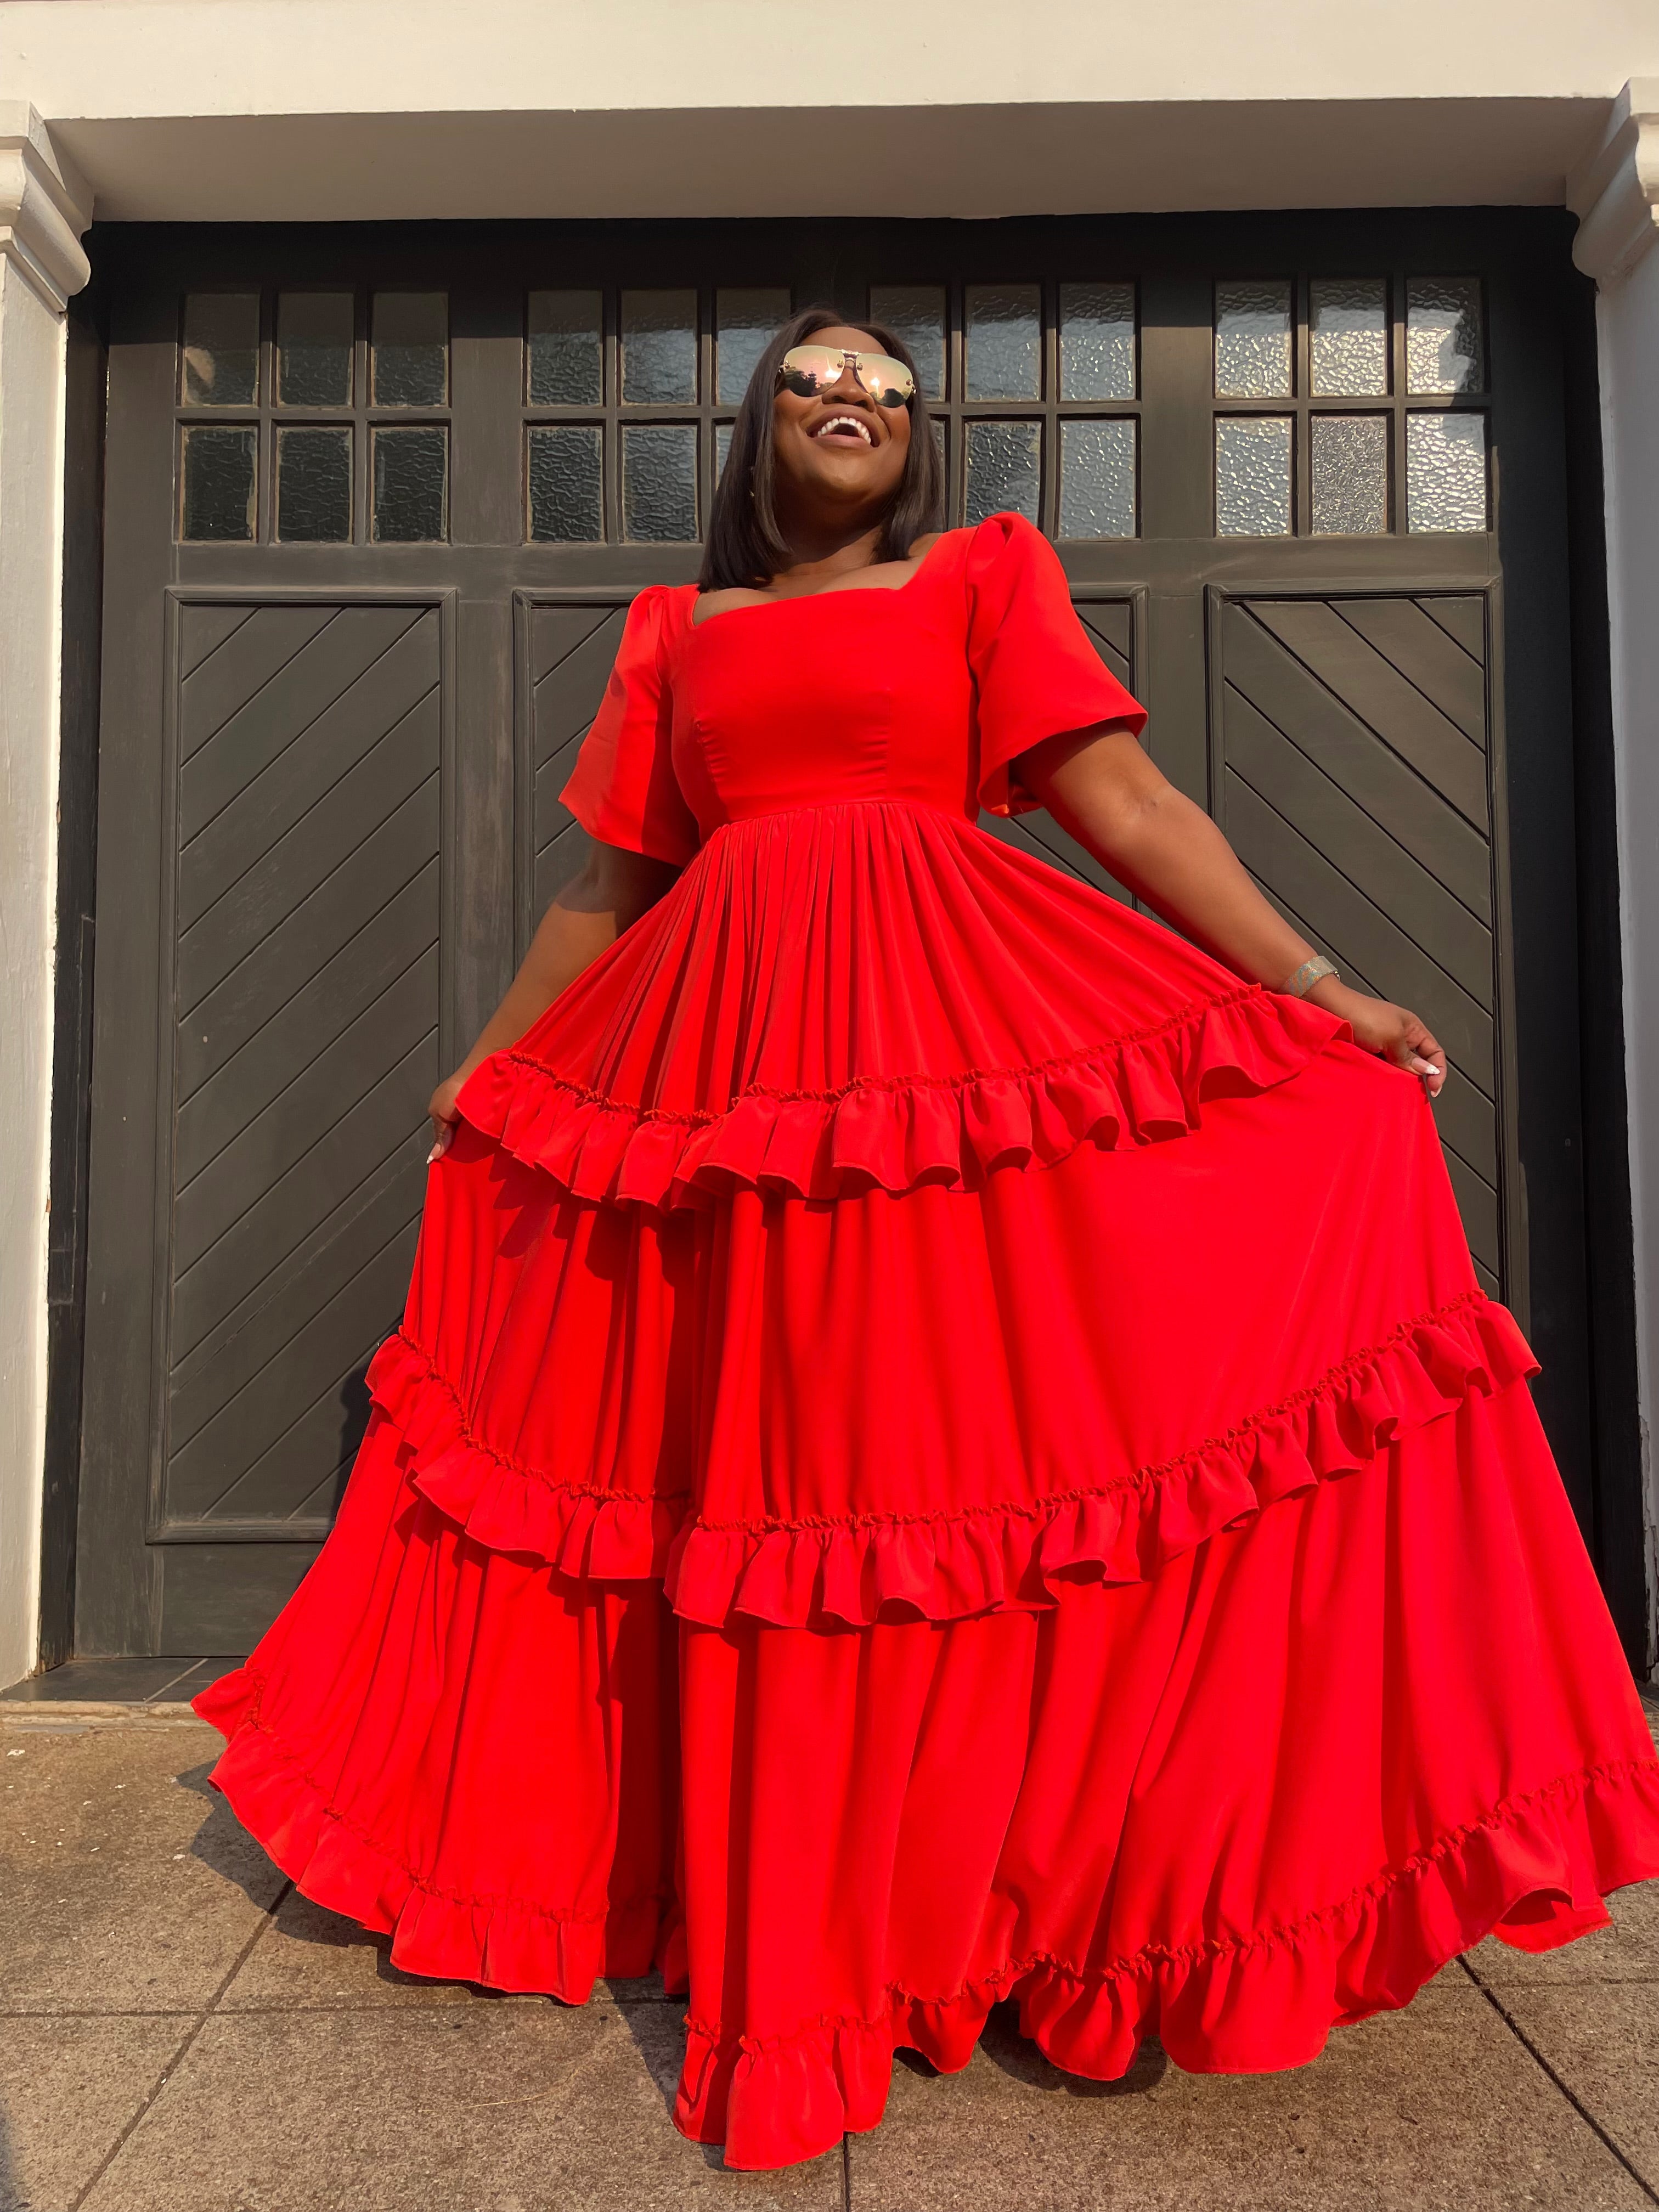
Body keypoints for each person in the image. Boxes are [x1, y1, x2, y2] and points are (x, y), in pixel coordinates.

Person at [194, 306, 1659, 2172]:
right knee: (776, 1505)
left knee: (943, 1490)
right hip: (735, 1071)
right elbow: (607, 884)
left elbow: (1121, 799)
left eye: (889, 388)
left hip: (941, 1059)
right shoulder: (674, 634)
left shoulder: (983, 577)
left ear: (918, 441)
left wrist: (1318, 987)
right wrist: (484, 1081)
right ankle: (805, 1939)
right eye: (815, 377)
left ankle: (983, 1911)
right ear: (760, 427)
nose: (852, 403)